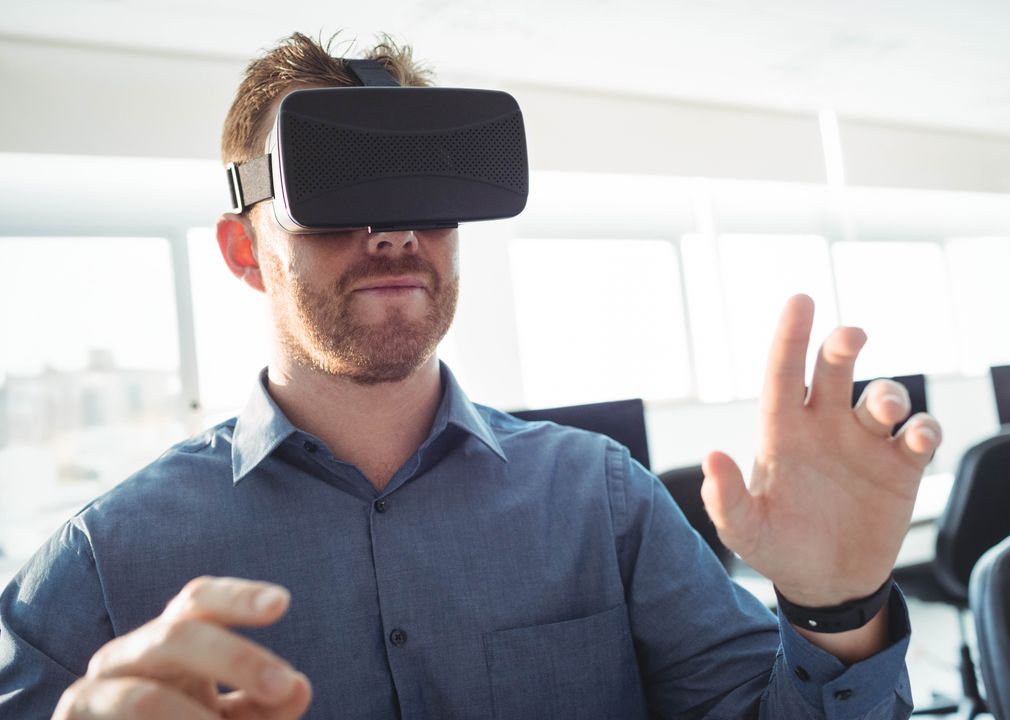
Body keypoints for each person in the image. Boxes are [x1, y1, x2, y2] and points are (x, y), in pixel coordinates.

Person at [0, 33, 941, 720]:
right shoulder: (103, 562)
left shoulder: (599, 498)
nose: (394, 233)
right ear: (246, 249)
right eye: (341, 192)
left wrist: (836, 613)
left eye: (424, 191)